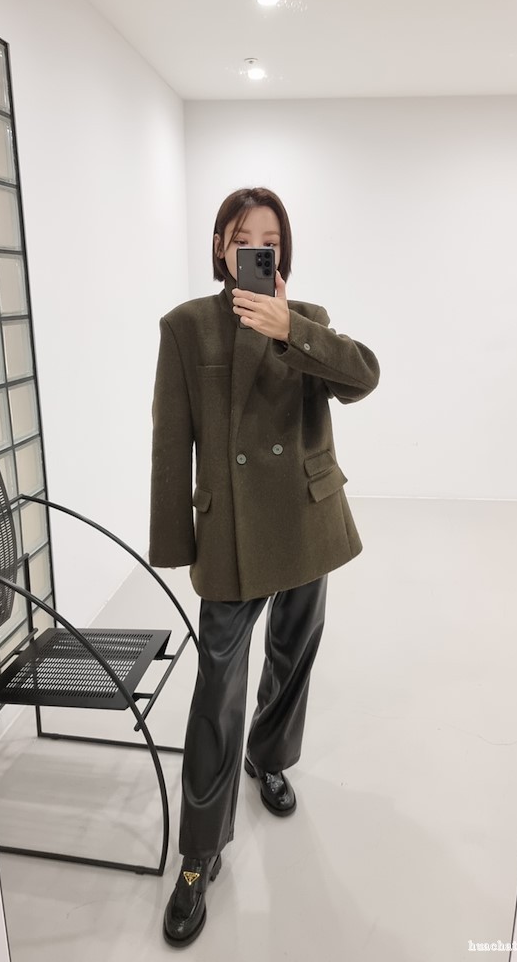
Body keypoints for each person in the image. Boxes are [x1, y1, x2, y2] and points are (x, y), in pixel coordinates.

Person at [149, 186, 380, 947]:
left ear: (282, 252)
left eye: (270, 240)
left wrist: (292, 331)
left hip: (306, 519)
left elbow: (364, 377)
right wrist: (176, 541)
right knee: (218, 684)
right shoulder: (186, 325)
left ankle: (270, 756)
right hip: (233, 534)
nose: (257, 249)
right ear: (221, 246)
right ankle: (199, 853)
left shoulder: (305, 317)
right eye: (244, 237)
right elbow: (170, 440)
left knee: (294, 652)